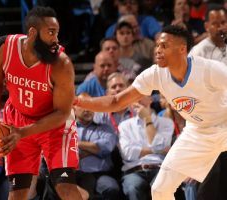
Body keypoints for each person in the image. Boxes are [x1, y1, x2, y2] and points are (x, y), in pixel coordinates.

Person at [74, 24, 227, 200]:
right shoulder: (155, 74)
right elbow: (116, 101)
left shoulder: (208, 69)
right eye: (157, 45)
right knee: (160, 189)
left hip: (224, 124)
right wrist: (78, 101)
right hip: (197, 133)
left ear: (182, 49)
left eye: (164, 46)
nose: (158, 50)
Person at [0, 6, 82, 200]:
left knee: (65, 188)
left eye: (56, 33)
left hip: (54, 124)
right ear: (32, 33)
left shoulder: (61, 64)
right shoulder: (3, 47)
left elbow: (62, 113)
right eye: (50, 33)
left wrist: (23, 132)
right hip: (16, 120)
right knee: (17, 194)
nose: (56, 40)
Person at [189, 4, 227, 200]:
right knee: (212, 176)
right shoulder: (198, 53)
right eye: (215, 24)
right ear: (206, 26)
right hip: (209, 122)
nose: (221, 27)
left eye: (223, 22)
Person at [118, 96, 173, 200]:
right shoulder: (124, 125)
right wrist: (157, 151)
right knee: (133, 188)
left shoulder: (166, 122)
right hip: (134, 170)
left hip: (159, 168)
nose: (138, 99)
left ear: (151, 99)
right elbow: (127, 154)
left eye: (141, 95)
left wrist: (147, 119)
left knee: (161, 188)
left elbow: (158, 145)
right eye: (134, 96)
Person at [75, 93, 120, 200]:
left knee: (111, 187)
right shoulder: (67, 129)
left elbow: (106, 147)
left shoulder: (105, 128)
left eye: (90, 106)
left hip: (100, 174)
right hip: (74, 174)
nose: (87, 109)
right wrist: (93, 149)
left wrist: (78, 144)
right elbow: (65, 151)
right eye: (83, 106)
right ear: (74, 108)